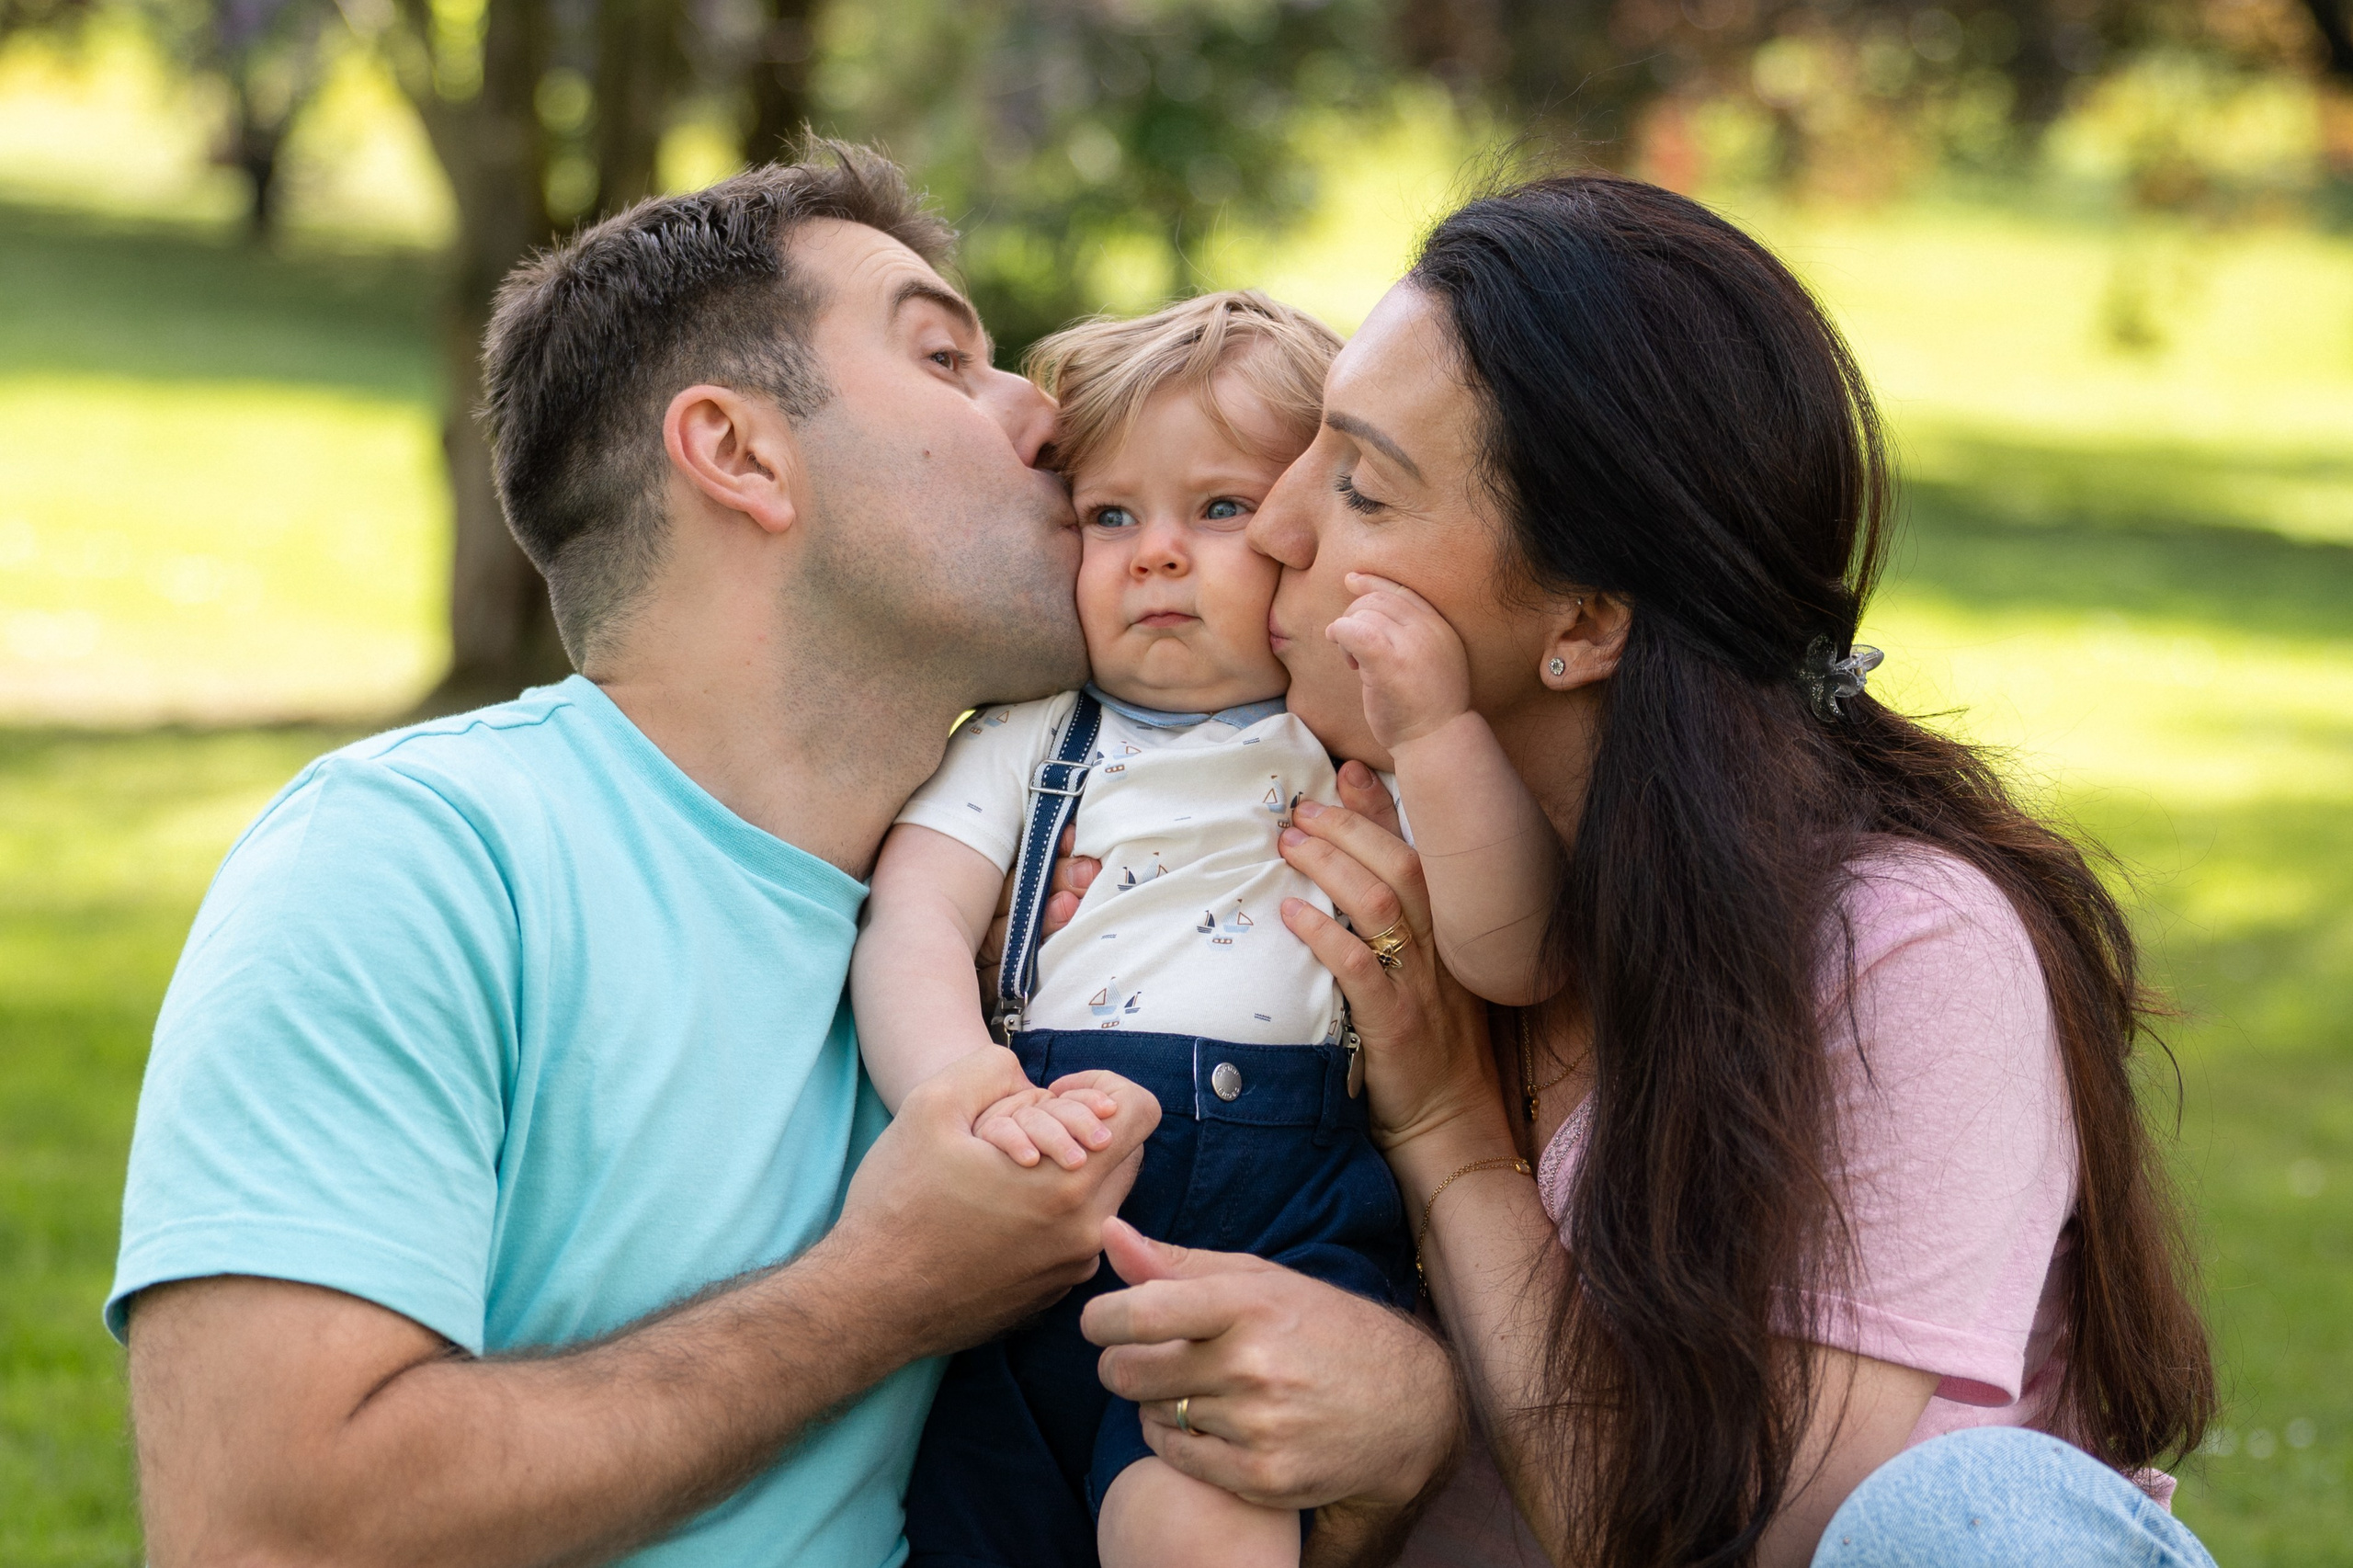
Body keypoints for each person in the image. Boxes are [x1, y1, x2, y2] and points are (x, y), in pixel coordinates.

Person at [1072, 173, 2221, 1568]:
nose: (1277, 527)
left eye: (1364, 485)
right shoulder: (1358, 879)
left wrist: (1449, 1136)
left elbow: (1728, 1540)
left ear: (1587, 620)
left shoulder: (1903, 946)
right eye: (1312, 449)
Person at [103, 145, 1185, 1568]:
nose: (1045, 417)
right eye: (944, 356)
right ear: (738, 451)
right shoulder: (415, 863)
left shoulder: (1034, 916)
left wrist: (1396, 1400)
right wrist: (884, 1289)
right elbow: (265, 1531)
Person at [855, 290, 1419, 1568]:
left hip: (1269, 1242)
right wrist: (963, 1084)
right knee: (969, 1521)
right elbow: (913, 923)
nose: (1155, 553)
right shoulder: (1024, 743)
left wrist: (1430, 732)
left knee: (1203, 1511)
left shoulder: (1348, 740)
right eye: (1113, 515)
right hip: (1030, 1230)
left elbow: (1509, 936)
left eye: (1221, 509)